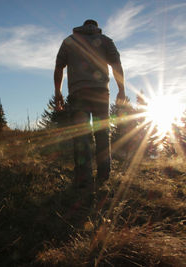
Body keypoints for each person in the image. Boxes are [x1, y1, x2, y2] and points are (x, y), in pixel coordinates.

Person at [54, 19, 125, 189]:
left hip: (78, 93)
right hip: (101, 93)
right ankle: (103, 176)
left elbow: (58, 67)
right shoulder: (106, 41)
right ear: (96, 27)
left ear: (82, 27)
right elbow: (116, 65)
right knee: (102, 132)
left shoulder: (69, 41)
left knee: (81, 134)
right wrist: (121, 89)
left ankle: (84, 178)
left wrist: (58, 92)